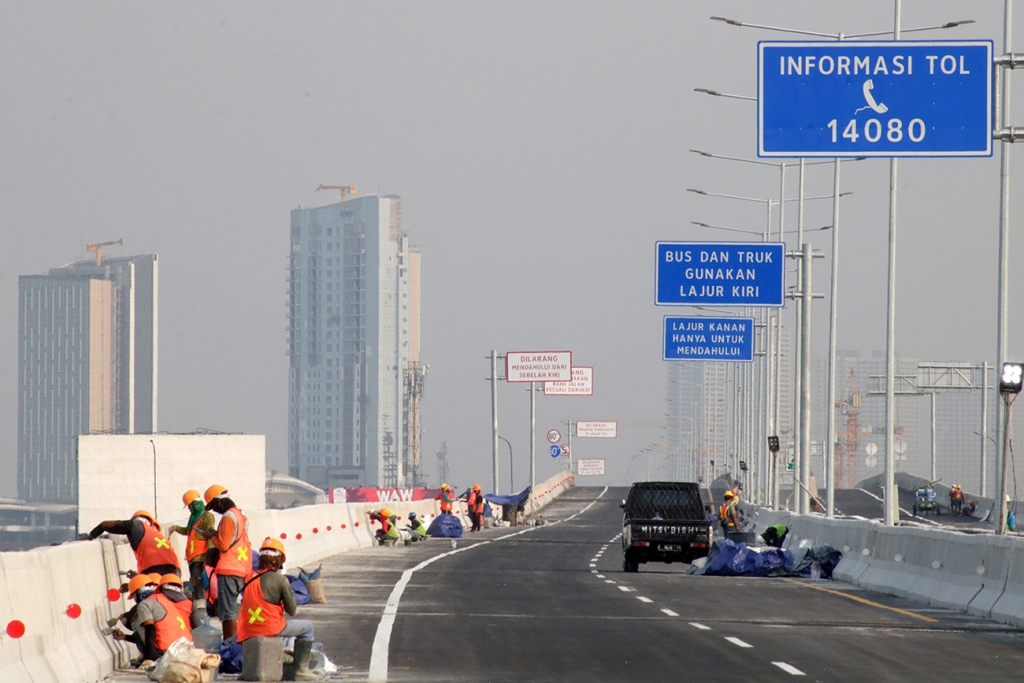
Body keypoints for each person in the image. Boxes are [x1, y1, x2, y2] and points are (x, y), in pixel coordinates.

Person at [239, 538, 317, 681]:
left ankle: (247, 671)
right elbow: (292, 611)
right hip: (269, 627)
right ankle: (301, 671)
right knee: (308, 628)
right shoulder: (280, 580)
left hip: (247, 629)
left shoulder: (248, 577)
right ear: (278, 561)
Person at [198, 484, 251, 642]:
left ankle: (229, 644)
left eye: (214, 506)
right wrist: (217, 534)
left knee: (228, 613)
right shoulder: (240, 513)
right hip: (241, 566)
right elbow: (232, 537)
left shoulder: (228, 516)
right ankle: (235, 642)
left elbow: (223, 545)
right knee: (234, 610)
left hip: (229, 568)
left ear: (219, 502)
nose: (215, 510)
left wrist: (211, 536)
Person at [84, 510, 181, 577]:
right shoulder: (159, 536)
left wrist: (91, 536)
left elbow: (105, 524)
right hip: (175, 571)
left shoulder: (136, 525)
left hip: (153, 570)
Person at [168, 490, 216, 603]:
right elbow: (188, 531)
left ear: (195, 504)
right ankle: (198, 604)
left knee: (198, 584)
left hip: (201, 556)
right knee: (195, 584)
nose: (189, 509)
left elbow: (211, 536)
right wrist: (176, 528)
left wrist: (208, 557)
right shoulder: (193, 517)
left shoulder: (207, 516)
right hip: (192, 557)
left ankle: (201, 607)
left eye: (190, 506)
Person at [110, 574, 160, 667]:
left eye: (134, 595)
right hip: (176, 648)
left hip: (163, 653)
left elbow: (150, 632)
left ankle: (153, 658)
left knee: (138, 624)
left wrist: (148, 659)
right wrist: (125, 637)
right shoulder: (164, 601)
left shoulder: (145, 606)